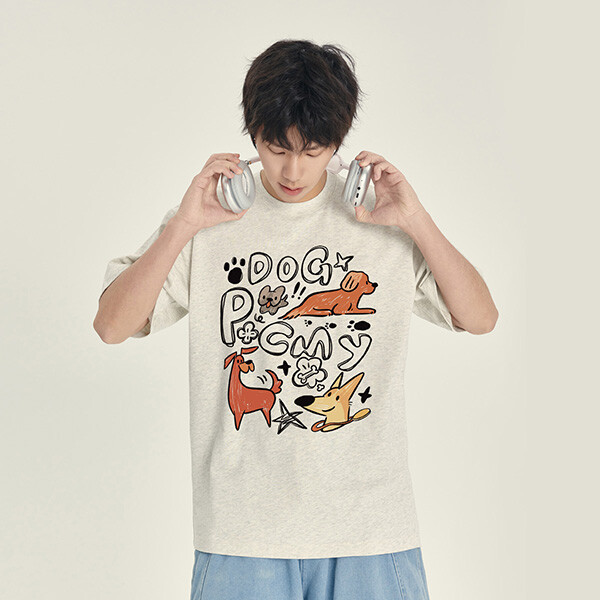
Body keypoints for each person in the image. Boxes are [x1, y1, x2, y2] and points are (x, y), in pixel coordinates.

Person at [94, 39, 498, 600]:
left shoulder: (379, 214)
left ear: (339, 140)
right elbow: (111, 326)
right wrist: (184, 225)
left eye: (313, 150)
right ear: (252, 134)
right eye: (276, 147)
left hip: (370, 530)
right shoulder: (210, 217)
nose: (293, 169)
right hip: (242, 535)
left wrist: (416, 219)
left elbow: (480, 317)